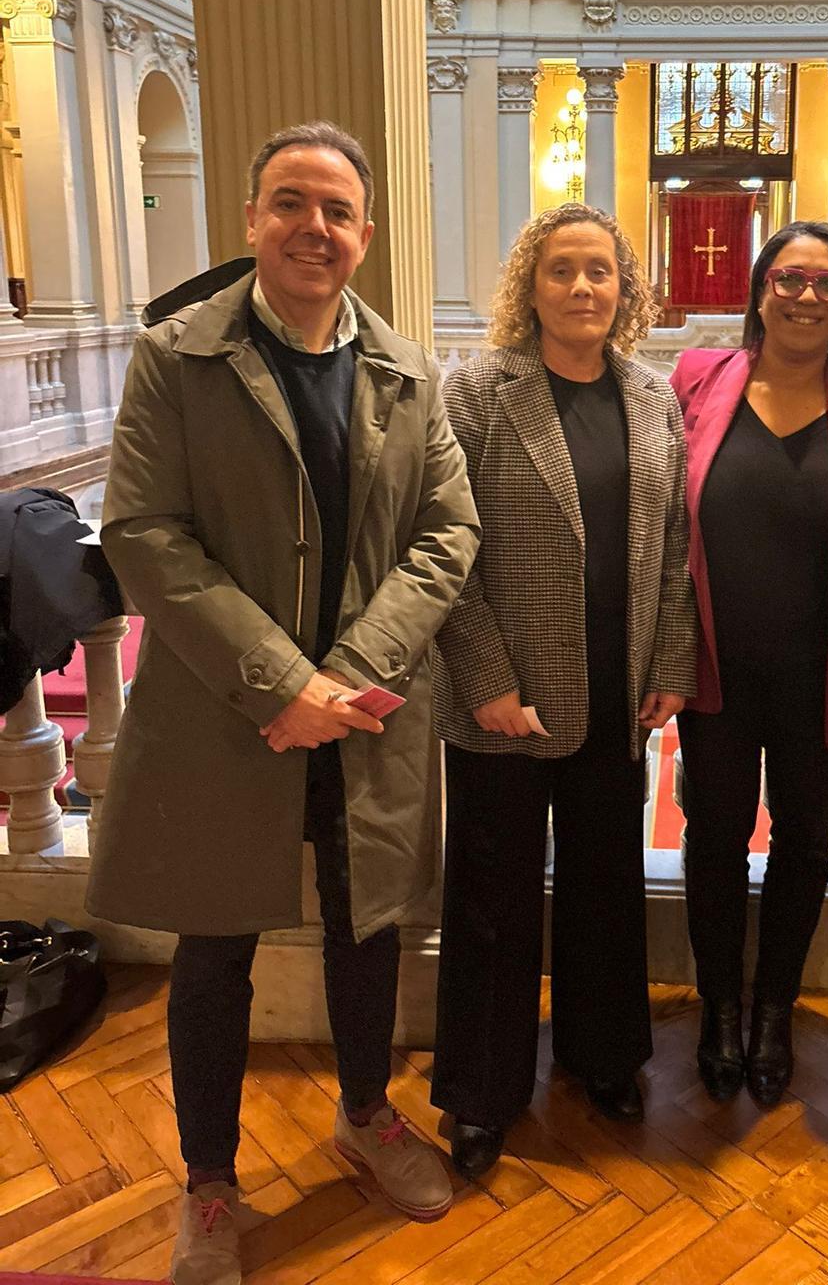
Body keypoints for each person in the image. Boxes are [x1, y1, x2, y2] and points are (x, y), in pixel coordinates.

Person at [86, 122, 480, 1284]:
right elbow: (145, 532)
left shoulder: (411, 373)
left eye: (338, 210)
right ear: (252, 219)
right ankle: (209, 1183)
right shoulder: (176, 358)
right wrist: (283, 681)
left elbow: (446, 534)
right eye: (290, 203)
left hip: (364, 722)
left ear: (367, 232)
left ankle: (366, 1115)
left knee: (370, 931)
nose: (316, 227)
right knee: (214, 955)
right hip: (226, 716)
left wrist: (344, 680)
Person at [431, 202, 696, 1178]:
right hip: (506, 698)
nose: (583, 288)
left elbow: (671, 549)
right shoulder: (476, 394)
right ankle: (481, 1092)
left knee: (604, 887)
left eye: (601, 271)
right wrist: (488, 680)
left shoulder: (653, 396)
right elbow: (441, 553)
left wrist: (669, 662)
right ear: (529, 286)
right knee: (492, 902)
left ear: (625, 288)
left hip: (614, 695)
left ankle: (603, 1056)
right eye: (562, 270)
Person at [670, 221, 828, 1105]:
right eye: (792, 278)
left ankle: (777, 1009)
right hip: (717, 674)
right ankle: (720, 1009)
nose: (808, 297)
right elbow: (667, 529)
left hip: (821, 675)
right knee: (715, 843)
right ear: (761, 287)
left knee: (806, 845)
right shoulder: (697, 381)